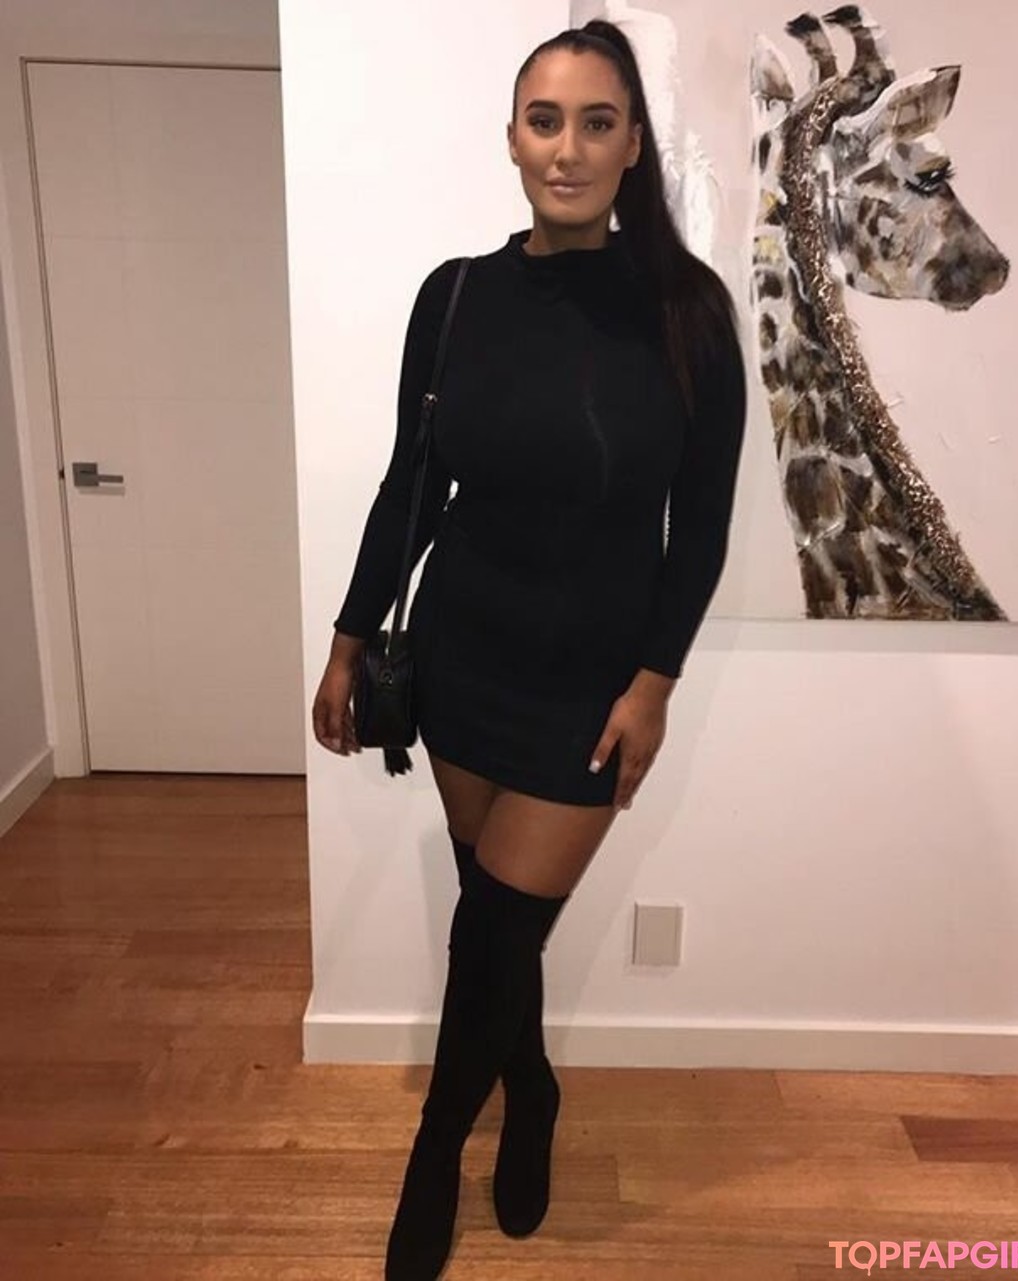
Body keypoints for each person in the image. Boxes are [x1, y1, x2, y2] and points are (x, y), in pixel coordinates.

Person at [311, 18, 746, 1281]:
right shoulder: (456, 298)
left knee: (498, 928)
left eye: (596, 122)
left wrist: (654, 685)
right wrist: (349, 641)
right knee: (500, 930)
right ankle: (533, 1085)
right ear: (511, 137)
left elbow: (702, 530)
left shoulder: (687, 314)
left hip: (588, 689)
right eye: (544, 120)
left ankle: (434, 1156)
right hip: (463, 660)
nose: (567, 148)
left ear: (632, 145)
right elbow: (409, 487)